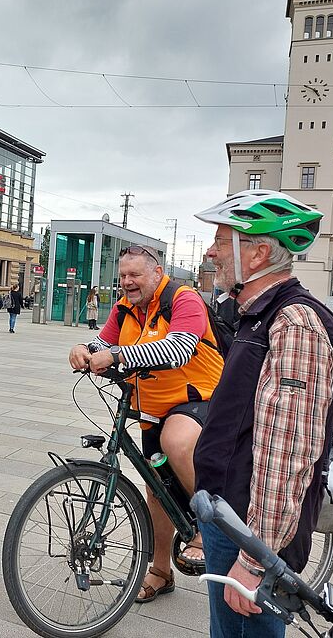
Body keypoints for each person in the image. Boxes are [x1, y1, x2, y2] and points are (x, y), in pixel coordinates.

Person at [193, 189, 333, 638]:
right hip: (230, 518)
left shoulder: (293, 323)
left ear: (257, 253)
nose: (210, 251)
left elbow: (288, 452)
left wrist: (255, 559)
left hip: (248, 535)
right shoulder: (255, 316)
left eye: (222, 240)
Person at [68, 245, 224, 603]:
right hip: (150, 407)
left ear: (157, 273)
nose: (126, 282)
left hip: (199, 399)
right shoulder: (125, 309)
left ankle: (208, 525)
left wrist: (119, 355)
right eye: (122, 276)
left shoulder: (183, 299)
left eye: (134, 275)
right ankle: (160, 570)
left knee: (177, 442)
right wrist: (82, 349)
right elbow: (102, 341)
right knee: (157, 490)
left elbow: (178, 348)